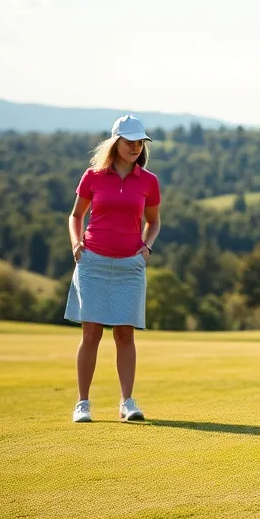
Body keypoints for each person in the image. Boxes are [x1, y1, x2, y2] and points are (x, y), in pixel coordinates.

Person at [65, 114, 162, 423]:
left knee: (124, 334)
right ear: (115, 143)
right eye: (129, 142)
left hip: (129, 265)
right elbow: (75, 216)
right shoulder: (93, 176)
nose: (135, 147)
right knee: (91, 333)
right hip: (93, 261)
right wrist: (76, 243)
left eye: (139, 142)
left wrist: (146, 247)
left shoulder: (148, 181)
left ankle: (127, 402)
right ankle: (83, 403)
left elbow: (154, 220)